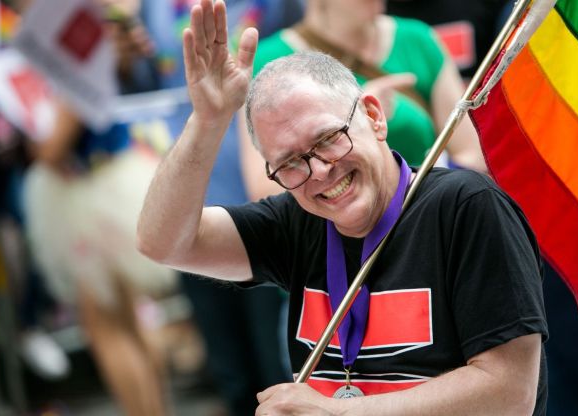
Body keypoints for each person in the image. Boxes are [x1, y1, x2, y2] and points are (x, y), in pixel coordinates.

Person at [138, 1, 547, 414]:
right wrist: (207, 121)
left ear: (374, 116)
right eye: (290, 163)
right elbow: (163, 243)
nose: (319, 171)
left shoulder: (465, 207)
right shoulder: (297, 220)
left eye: (328, 139)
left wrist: (338, 412)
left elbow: (510, 393)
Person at [23, 5, 174, 415]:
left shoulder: (67, 30)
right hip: (109, 183)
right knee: (128, 318)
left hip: (90, 193)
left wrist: (31, 139)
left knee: (107, 326)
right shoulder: (89, 24)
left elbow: (52, 146)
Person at [238, 0, 487, 200]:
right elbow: (263, 190)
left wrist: (414, 190)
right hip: (332, 230)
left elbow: (475, 154)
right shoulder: (267, 64)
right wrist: (354, 121)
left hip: (430, 209)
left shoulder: (418, 39)